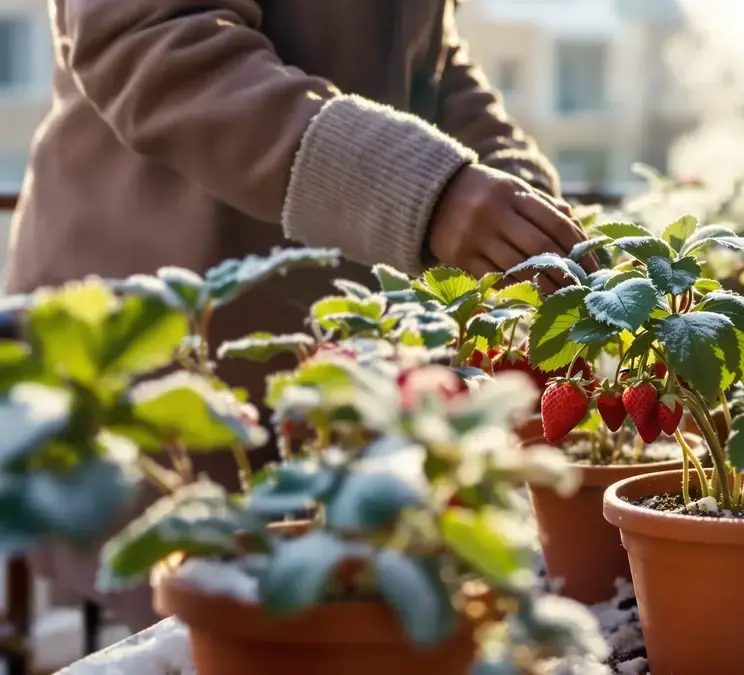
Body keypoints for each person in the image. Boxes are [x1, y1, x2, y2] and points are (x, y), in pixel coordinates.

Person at [3, 0, 590, 632]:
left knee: (316, 616)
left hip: (324, 350)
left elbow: (431, 58)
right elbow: (151, 41)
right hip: (154, 324)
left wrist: (520, 197)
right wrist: (430, 191)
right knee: (192, 613)